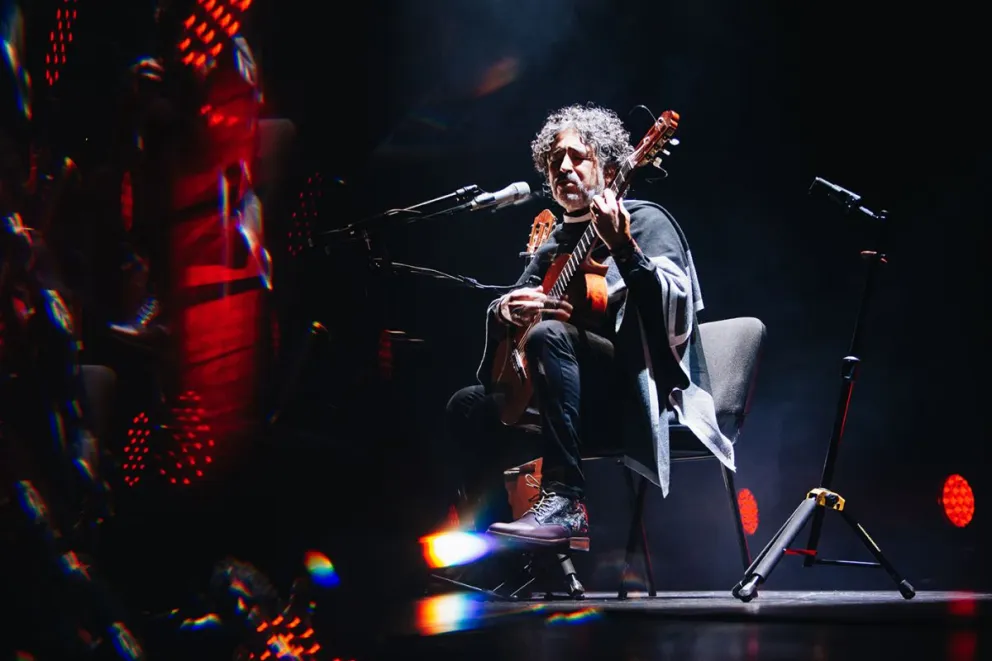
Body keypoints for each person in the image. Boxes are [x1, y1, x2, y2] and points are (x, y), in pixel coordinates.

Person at [444, 103, 736, 546]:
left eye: (578, 156)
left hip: (627, 390)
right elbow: (507, 313)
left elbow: (674, 313)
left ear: (611, 164)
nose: (563, 167)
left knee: (549, 333)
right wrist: (506, 310)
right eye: (553, 160)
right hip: (562, 397)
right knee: (467, 404)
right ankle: (486, 536)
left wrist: (625, 249)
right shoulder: (553, 246)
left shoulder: (643, 219)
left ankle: (567, 501)